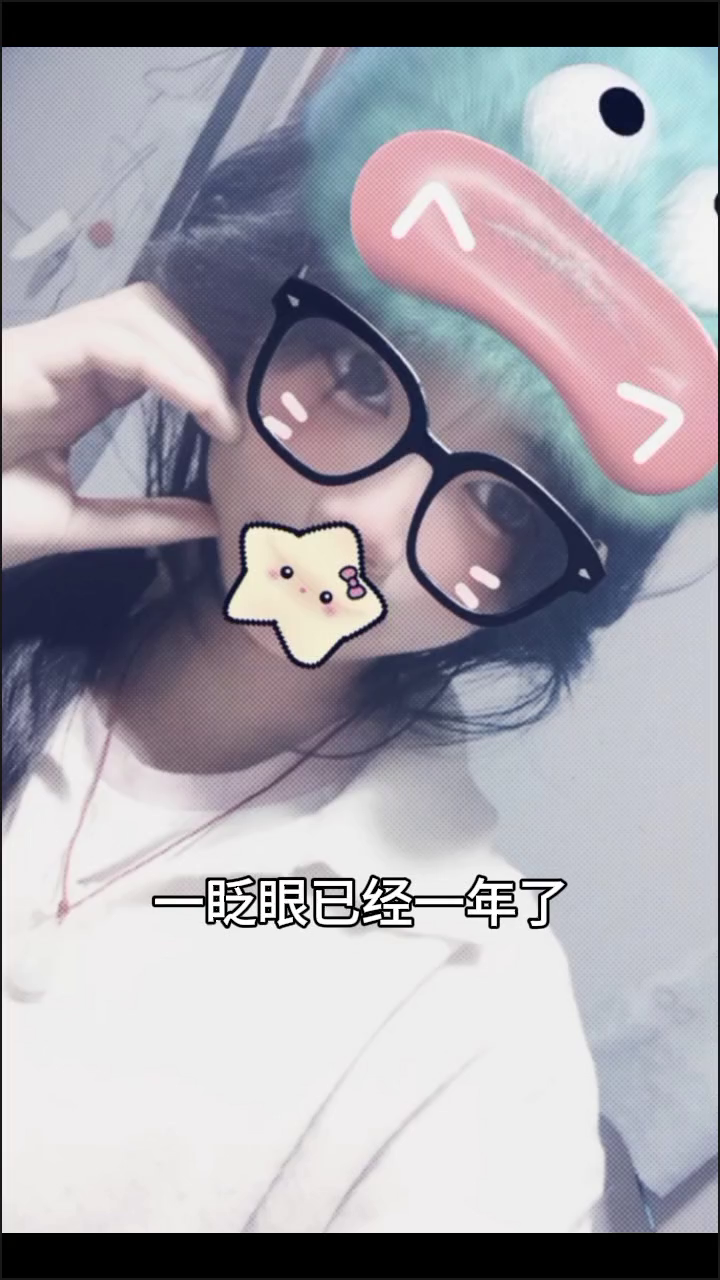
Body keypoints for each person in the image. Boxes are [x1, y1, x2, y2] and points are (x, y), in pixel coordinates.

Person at [2, 46, 716, 1234]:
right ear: (244, 320)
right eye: (357, 375)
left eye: (504, 505)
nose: (372, 528)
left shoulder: (462, 1008)